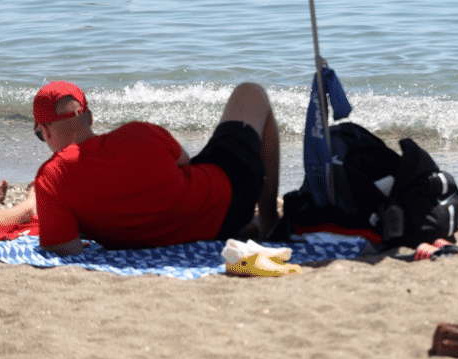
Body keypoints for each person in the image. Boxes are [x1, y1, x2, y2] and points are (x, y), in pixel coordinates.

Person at [31, 81, 280, 256]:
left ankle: (253, 224)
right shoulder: (139, 132)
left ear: (46, 131)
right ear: (91, 118)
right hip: (232, 202)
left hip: (198, 230)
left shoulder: (52, 178)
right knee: (251, 92)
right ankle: (269, 219)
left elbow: (66, 247)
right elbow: (185, 162)